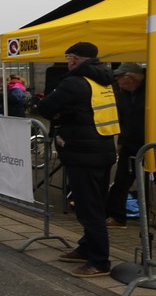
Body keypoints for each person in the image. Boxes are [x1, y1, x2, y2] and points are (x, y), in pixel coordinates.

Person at [36, 41, 120, 278]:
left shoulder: (74, 83)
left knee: (88, 208)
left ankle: (99, 261)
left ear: (73, 59)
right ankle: (86, 248)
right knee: (96, 204)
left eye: (68, 58)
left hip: (82, 152)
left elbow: (45, 107)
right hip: (103, 148)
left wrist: (63, 113)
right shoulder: (106, 81)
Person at [105, 62, 156, 233]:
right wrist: (121, 141)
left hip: (153, 143)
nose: (117, 81)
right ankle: (117, 216)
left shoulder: (152, 92)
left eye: (119, 77)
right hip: (130, 143)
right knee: (121, 181)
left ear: (130, 78)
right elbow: (124, 119)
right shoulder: (124, 94)